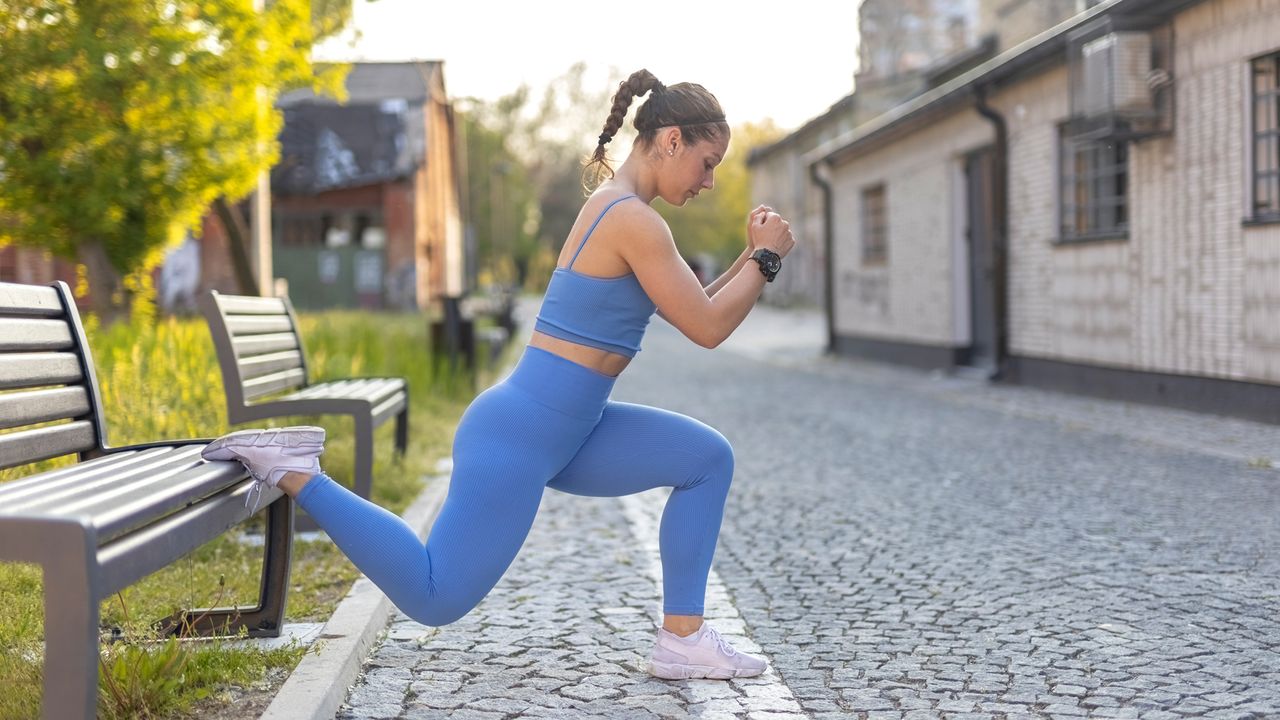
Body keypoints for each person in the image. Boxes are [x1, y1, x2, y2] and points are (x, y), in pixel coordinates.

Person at [202, 68, 795, 681]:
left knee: (706, 459)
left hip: (569, 432)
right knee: (435, 595)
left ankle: (683, 640)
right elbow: (707, 328)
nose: (710, 180)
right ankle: (299, 472)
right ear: (670, 140)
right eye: (706, 162)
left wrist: (754, 258)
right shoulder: (631, 219)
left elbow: (695, 306)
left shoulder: (626, 213)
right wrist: (769, 259)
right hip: (521, 435)